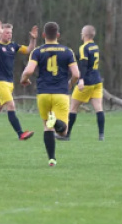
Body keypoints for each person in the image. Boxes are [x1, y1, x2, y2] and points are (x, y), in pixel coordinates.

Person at [20, 22, 80, 167]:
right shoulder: (67, 51)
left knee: (47, 127)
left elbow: (29, 71)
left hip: (43, 94)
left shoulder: (37, 51)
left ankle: (51, 159)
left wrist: (24, 79)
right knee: (63, 132)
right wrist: (70, 84)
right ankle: (55, 121)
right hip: (61, 93)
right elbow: (76, 74)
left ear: (43, 35)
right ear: (58, 35)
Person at [0, 21, 38, 140]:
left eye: (10, 33)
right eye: (6, 33)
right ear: (2, 34)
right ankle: (21, 134)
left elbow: (29, 50)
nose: (9, 35)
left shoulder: (13, 46)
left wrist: (33, 39)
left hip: (9, 83)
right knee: (11, 105)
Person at [64, 25, 105, 141]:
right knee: (99, 108)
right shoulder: (95, 46)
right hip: (97, 81)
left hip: (87, 82)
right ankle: (101, 135)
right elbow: (88, 60)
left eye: (82, 33)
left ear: (85, 35)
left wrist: (81, 79)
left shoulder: (84, 47)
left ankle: (66, 135)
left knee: (73, 107)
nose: (81, 35)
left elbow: (84, 65)